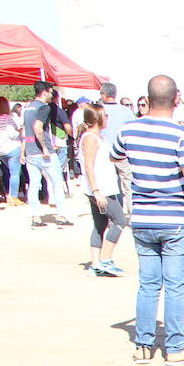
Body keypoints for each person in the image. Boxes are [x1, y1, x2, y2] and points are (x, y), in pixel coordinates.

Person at [110, 75, 184, 365]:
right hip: (174, 217)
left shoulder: (129, 130)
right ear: (176, 99)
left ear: (147, 98)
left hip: (142, 216)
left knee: (148, 284)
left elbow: (115, 157)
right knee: (175, 285)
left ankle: (143, 344)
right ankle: (176, 346)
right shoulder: (181, 134)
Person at [79, 103, 128, 277]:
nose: (107, 118)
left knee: (100, 224)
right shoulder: (91, 138)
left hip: (102, 187)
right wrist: (96, 190)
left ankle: (96, 263)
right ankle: (105, 259)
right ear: (98, 118)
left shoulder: (97, 137)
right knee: (120, 220)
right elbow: (88, 166)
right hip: (101, 189)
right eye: (105, 115)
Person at [22, 82, 73, 229]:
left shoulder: (28, 108)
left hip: (31, 152)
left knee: (34, 184)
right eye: (50, 92)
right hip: (45, 153)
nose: (52, 95)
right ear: (44, 92)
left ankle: (35, 216)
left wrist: (23, 150)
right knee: (57, 182)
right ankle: (61, 215)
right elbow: (38, 127)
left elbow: (25, 131)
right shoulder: (43, 107)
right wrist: (45, 147)